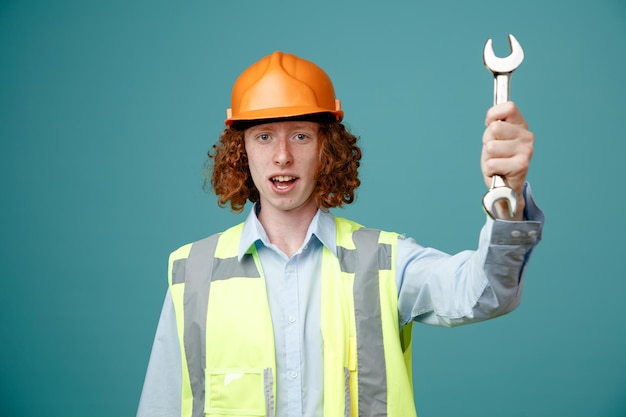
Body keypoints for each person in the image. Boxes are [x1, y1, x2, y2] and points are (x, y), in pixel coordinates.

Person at [137, 50, 544, 417]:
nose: (282, 155)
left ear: (325, 149)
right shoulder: (192, 273)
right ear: (241, 151)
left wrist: (509, 198)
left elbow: (486, 294)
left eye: (300, 135)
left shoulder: (385, 261)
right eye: (264, 136)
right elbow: (160, 406)